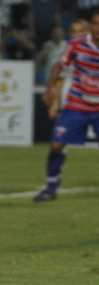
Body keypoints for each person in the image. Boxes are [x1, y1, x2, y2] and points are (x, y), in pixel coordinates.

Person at [35, 11, 99, 202]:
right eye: (95, 23)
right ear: (91, 26)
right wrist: (49, 90)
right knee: (56, 144)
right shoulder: (77, 45)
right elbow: (59, 67)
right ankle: (51, 186)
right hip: (77, 105)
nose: (98, 27)